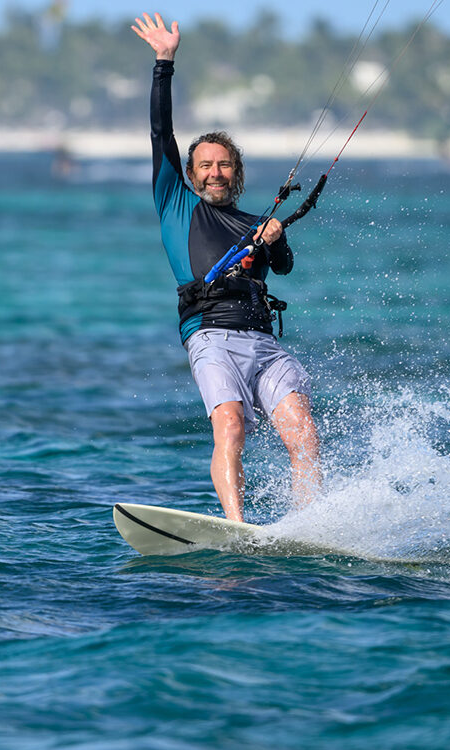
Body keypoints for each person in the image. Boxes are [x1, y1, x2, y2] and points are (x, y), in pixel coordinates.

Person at [132, 12, 321, 522]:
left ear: (237, 173)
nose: (216, 172)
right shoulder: (177, 204)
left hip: (263, 341)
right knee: (231, 424)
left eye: (225, 164)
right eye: (206, 165)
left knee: (303, 430)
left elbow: (281, 269)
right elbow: (159, 132)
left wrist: (276, 237)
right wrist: (163, 62)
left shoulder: (255, 222)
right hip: (211, 337)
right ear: (191, 174)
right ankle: (237, 527)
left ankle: (307, 524)